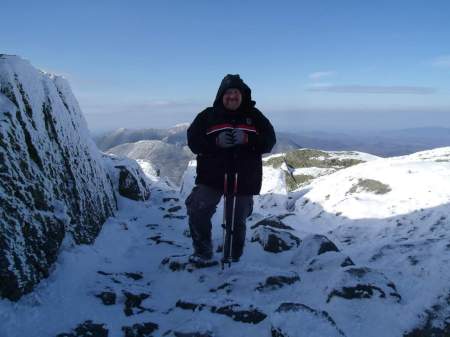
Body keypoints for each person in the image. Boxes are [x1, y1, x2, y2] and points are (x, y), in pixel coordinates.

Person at [185, 74, 276, 263]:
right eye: (228, 93)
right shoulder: (207, 116)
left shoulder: (254, 116)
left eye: (236, 93)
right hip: (212, 177)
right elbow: (193, 142)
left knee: (237, 220)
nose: (232, 96)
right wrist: (215, 142)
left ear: (242, 95)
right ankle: (203, 251)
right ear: (221, 95)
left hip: (244, 178)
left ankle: (233, 257)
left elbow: (269, 141)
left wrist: (248, 139)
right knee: (197, 208)